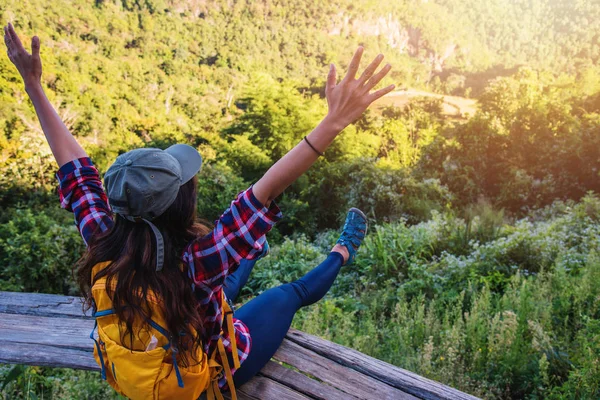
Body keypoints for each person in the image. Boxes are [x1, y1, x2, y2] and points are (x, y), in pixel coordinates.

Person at [4, 21, 393, 400]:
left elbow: (75, 171)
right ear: (180, 204)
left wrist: (33, 86)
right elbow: (268, 188)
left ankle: (250, 251)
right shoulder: (197, 261)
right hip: (211, 373)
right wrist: (334, 121)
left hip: (160, 339)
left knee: (226, 279)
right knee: (289, 293)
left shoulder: (105, 238)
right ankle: (342, 251)